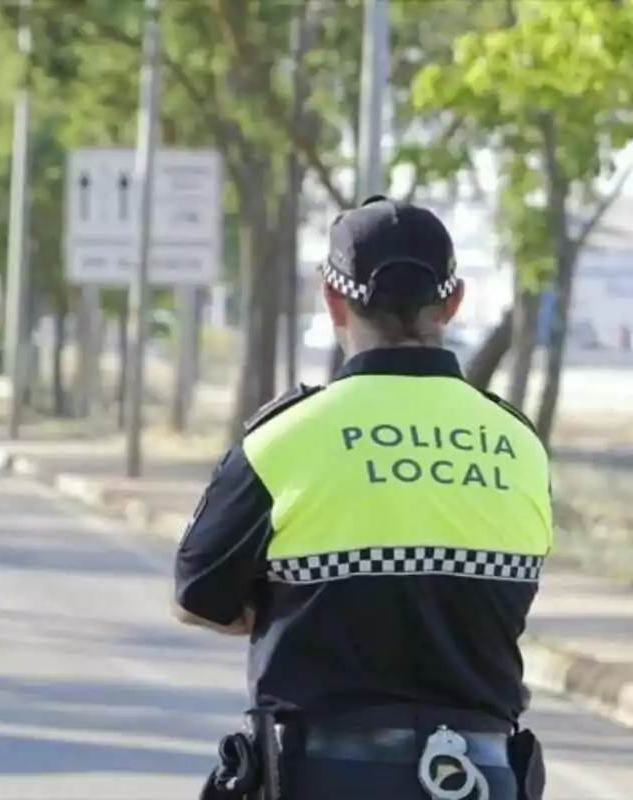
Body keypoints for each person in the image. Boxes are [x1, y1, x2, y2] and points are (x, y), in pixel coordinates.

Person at [174, 196, 551, 800]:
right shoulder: (520, 445)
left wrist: (298, 604)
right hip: (481, 778)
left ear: (331, 300)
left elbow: (197, 596)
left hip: (323, 775)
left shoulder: (283, 440)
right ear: (452, 302)